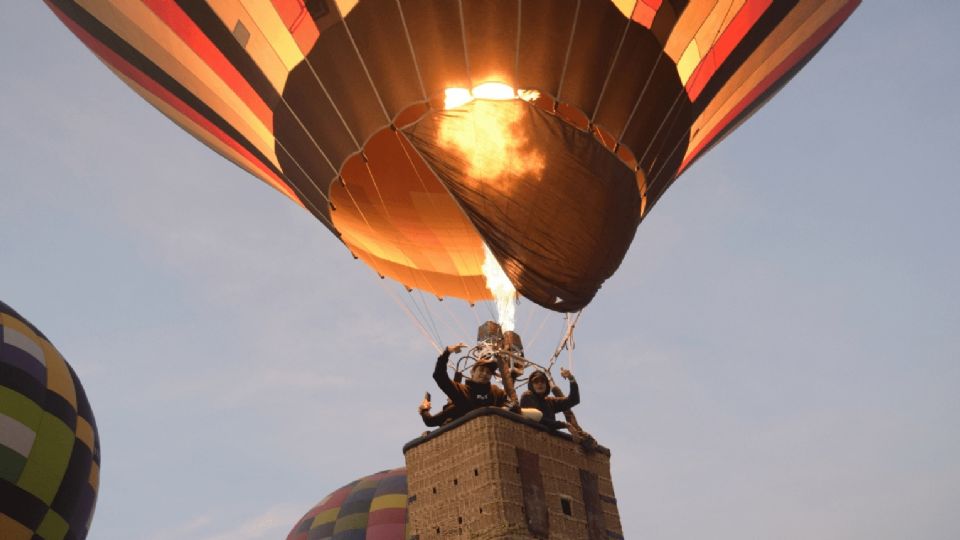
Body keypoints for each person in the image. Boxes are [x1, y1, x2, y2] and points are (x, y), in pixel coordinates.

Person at [432, 343, 507, 420]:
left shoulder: (497, 392)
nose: (485, 374)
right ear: (472, 372)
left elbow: (511, 405)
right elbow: (440, 376)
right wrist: (447, 352)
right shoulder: (462, 391)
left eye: (488, 372)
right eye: (481, 370)